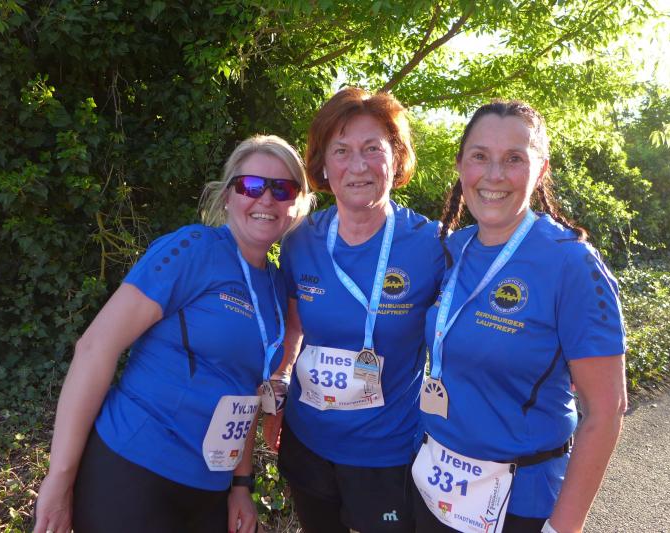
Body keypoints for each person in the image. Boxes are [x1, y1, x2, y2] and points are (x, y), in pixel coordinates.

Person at [32, 135, 313, 533]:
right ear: (228, 196)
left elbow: (245, 391)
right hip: (135, 467)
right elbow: (95, 347)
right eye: (250, 186)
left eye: (282, 189)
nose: (266, 199)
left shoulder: (276, 284)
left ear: (297, 204)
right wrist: (59, 477)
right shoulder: (192, 249)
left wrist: (240, 484)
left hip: (210, 485)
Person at [411, 100, 627, 533]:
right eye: (480, 156)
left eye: (514, 158)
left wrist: (563, 528)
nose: (494, 175)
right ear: (460, 165)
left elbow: (606, 411)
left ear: (540, 169)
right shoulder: (454, 249)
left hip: (520, 504)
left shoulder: (571, 263)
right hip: (434, 487)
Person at [263, 87, 446, 533]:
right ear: (323, 165)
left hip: (388, 454)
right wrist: (277, 389)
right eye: (341, 150)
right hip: (308, 444)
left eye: (372, 149)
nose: (358, 165)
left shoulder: (433, 245)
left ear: (396, 158)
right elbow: (293, 330)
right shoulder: (300, 240)